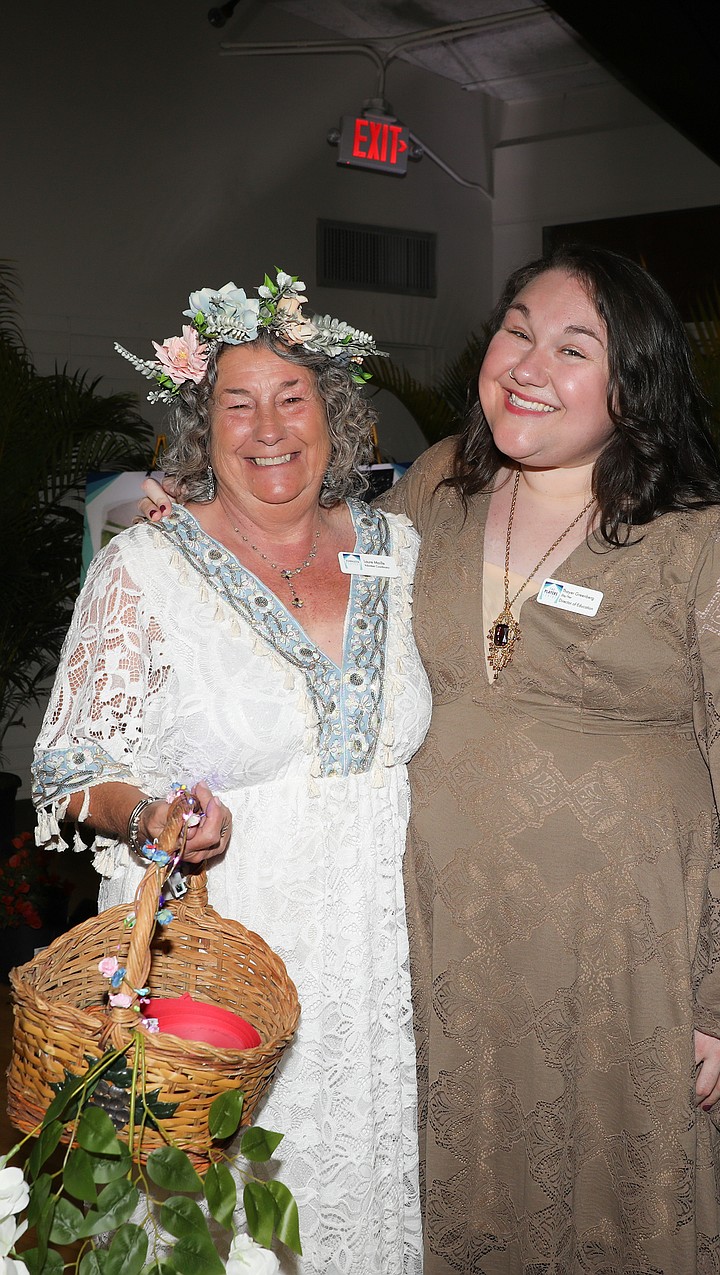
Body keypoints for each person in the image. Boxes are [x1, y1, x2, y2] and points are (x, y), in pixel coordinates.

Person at [142, 245, 720, 1274]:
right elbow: (311, 585)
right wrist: (202, 525)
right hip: (448, 950)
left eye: (572, 348)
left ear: (632, 383)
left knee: (633, 1206)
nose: (527, 364)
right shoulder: (436, 493)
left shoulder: (716, 548)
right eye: (517, 329)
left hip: (635, 969)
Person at [32, 271, 432, 1275]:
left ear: (334, 416)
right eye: (235, 403)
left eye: (291, 398)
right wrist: (150, 813)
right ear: (198, 429)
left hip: (379, 954)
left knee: (358, 1201)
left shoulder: (405, 551)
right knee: (221, 1223)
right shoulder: (147, 565)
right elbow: (69, 765)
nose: (267, 428)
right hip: (220, 951)